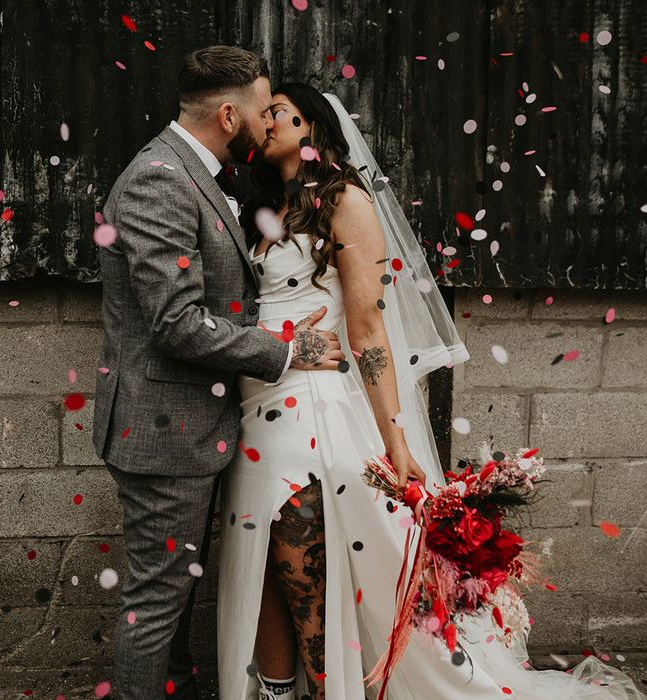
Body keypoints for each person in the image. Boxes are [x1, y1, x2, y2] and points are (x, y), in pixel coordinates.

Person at [216, 82, 646, 700]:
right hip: (258, 405)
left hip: (308, 411)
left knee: (301, 569)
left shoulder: (347, 203)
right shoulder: (264, 205)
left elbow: (367, 328)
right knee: (264, 572)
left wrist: (395, 442)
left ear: (311, 128)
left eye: (279, 111)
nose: (267, 120)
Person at [92, 49, 346, 700]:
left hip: (190, 429)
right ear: (229, 114)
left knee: (172, 600)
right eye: (263, 112)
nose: (269, 125)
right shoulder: (161, 179)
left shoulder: (200, 175)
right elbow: (175, 321)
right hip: (164, 434)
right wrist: (285, 352)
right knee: (156, 605)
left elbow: (218, 294)